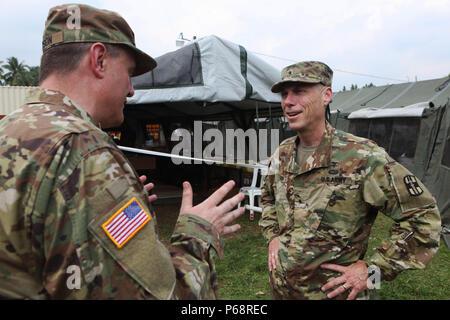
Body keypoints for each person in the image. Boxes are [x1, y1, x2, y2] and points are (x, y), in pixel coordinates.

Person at [0, 4, 245, 299]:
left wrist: (116, 201)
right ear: (99, 59)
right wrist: (195, 234)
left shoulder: (10, 131)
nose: (131, 89)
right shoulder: (84, 152)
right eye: (129, 73)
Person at [259, 61, 441, 300]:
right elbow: (268, 198)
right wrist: (272, 236)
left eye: (299, 91)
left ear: (326, 95)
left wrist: (374, 270)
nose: (288, 102)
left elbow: (424, 217)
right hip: (283, 291)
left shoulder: (362, 156)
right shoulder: (283, 153)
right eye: (284, 94)